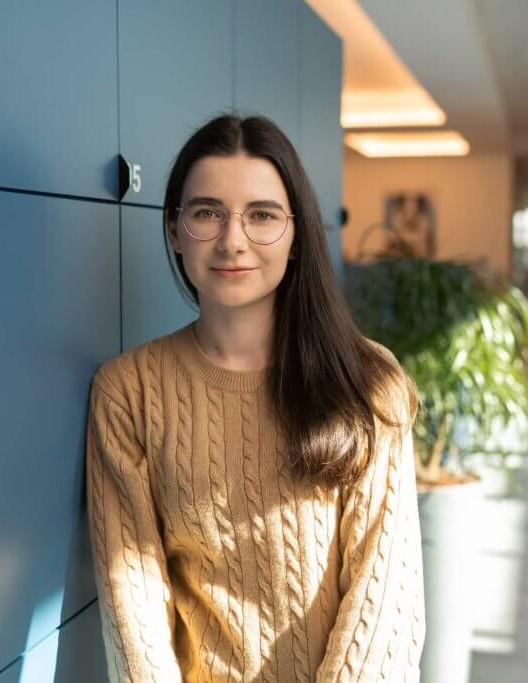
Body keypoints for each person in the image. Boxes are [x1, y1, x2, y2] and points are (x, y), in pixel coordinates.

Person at [84, 112, 426, 682]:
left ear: (296, 236)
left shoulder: (368, 380)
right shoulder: (128, 393)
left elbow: (385, 598)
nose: (233, 240)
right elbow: (133, 602)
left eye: (262, 215)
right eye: (206, 213)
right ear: (174, 230)